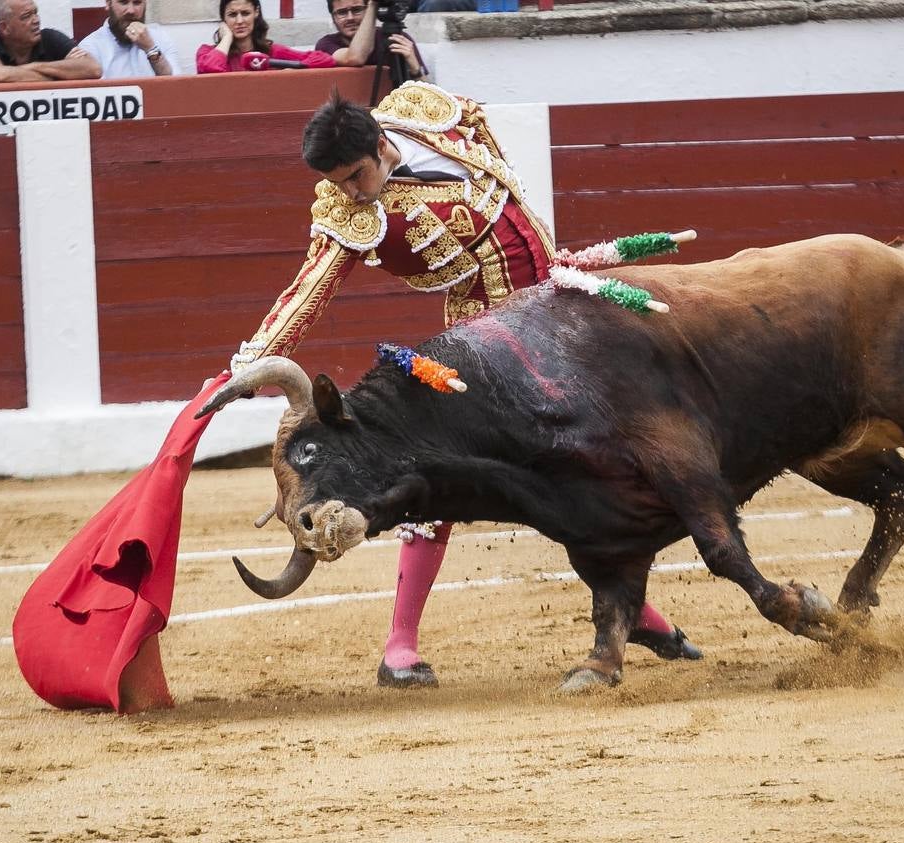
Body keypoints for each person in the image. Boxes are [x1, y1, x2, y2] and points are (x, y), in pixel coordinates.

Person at [222, 84, 702, 687]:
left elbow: (494, 168)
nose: (349, 191)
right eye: (338, 183)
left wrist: (551, 259)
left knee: (595, 460)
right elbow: (308, 287)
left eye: (356, 175)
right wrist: (252, 364)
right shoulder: (350, 215)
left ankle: (638, 613)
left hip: (557, 307)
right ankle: (400, 645)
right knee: (438, 472)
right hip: (484, 346)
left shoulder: (425, 114)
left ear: (380, 141)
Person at [0, 0, 101, 82]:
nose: (36, 20)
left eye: (36, 13)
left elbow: (93, 68)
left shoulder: (50, 37)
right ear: (4, 27)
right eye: (26, 16)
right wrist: (60, 74)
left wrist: (35, 66)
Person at [196, 0, 335, 73]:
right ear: (223, 19)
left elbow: (325, 60)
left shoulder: (273, 52)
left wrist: (291, 69)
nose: (239, 21)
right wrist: (226, 38)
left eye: (245, 13)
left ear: (256, 12)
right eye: (232, 15)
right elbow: (210, 69)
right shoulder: (206, 52)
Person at [314, 0, 426, 81]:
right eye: (342, 12)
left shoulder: (397, 38)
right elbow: (355, 58)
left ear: (367, 11)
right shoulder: (326, 44)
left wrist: (416, 70)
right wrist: (373, 4)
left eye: (357, 10)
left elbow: (432, 100)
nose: (350, 18)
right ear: (333, 18)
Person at [79, 0, 181, 79]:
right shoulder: (91, 46)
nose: (131, 10)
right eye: (123, 2)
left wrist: (151, 49)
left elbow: (175, 86)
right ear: (108, 3)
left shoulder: (161, 39)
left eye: (137, 2)